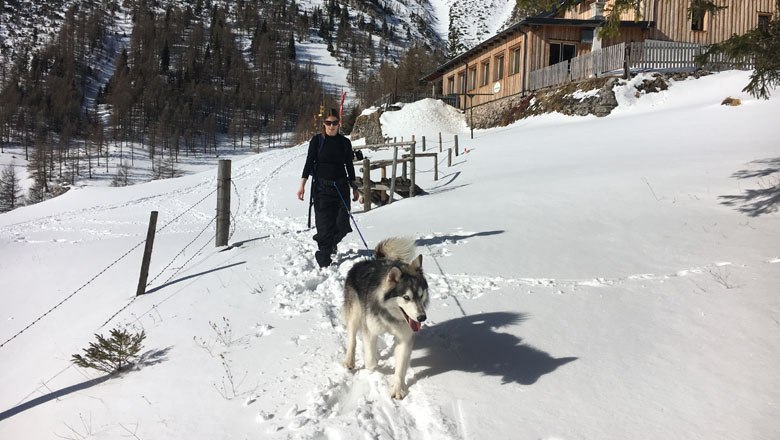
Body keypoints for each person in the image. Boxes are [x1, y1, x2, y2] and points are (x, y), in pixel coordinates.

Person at [297, 109, 360, 268]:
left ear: (339, 123)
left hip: (341, 188)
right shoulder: (317, 141)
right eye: (328, 123)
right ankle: (324, 261)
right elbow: (309, 163)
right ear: (323, 124)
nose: (331, 126)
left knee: (342, 225)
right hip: (321, 189)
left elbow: (349, 166)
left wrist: (354, 187)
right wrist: (302, 185)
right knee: (324, 227)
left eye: (335, 123)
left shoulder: (345, 142)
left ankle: (331, 244)